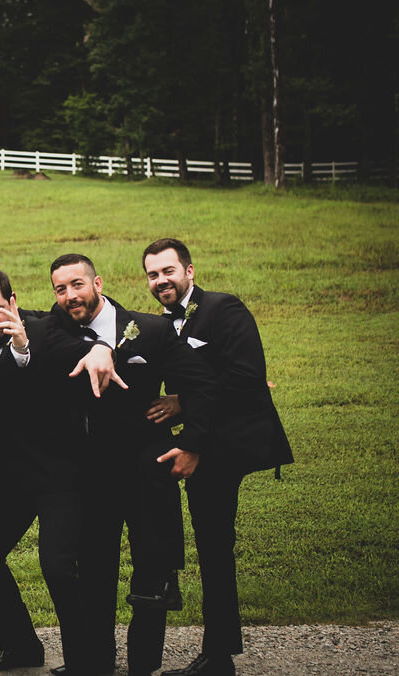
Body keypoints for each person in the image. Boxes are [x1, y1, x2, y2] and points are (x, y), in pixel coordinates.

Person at [44, 253, 216, 676]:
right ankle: (96, 664)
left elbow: (203, 383)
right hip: (90, 477)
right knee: (94, 574)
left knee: (151, 575)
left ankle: (143, 666)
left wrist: (191, 439)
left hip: (146, 472)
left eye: (77, 284)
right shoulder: (57, 329)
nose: (69, 295)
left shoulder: (151, 330)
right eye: (60, 289)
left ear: (98, 283)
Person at [142, 239, 293, 676]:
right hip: (201, 438)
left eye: (168, 271)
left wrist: (183, 406)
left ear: (189, 271)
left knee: (214, 547)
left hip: (226, 444)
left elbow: (247, 377)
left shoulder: (224, 309)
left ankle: (217, 656)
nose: (161, 281)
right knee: (210, 546)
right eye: (152, 274)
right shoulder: (164, 323)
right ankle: (215, 647)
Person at [0, 267, 120, 675]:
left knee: (58, 568)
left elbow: (92, 336)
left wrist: (102, 348)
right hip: (9, 480)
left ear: (12, 301)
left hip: (59, 476)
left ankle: (85, 663)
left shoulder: (46, 328)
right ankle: (21, 648)